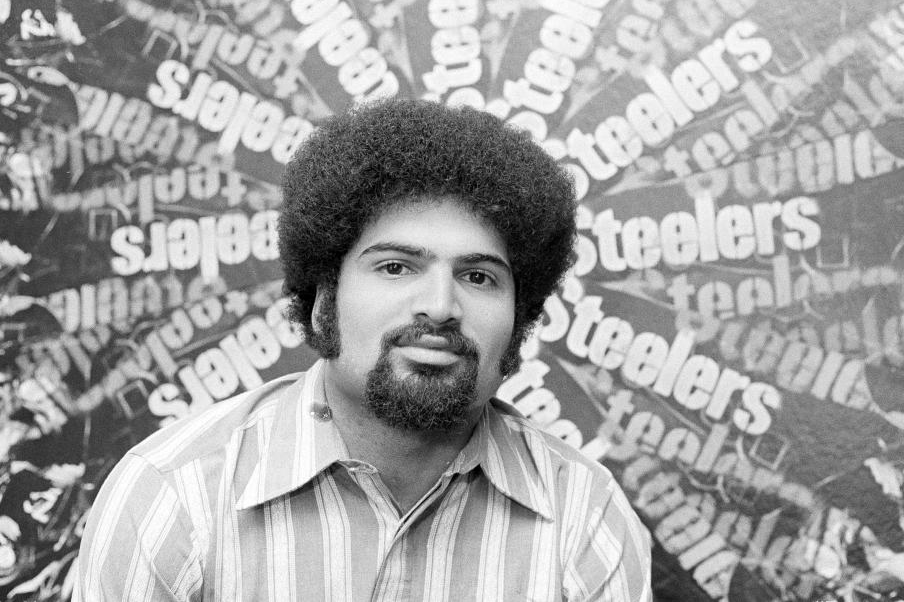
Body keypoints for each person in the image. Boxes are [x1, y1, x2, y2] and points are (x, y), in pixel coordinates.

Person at [72, 99, 652, 601]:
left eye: (479, 277)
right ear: (325, 296)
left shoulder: (583, 513)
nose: (441, 306)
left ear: (520, 315)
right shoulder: (174, 494)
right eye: (397, 267)